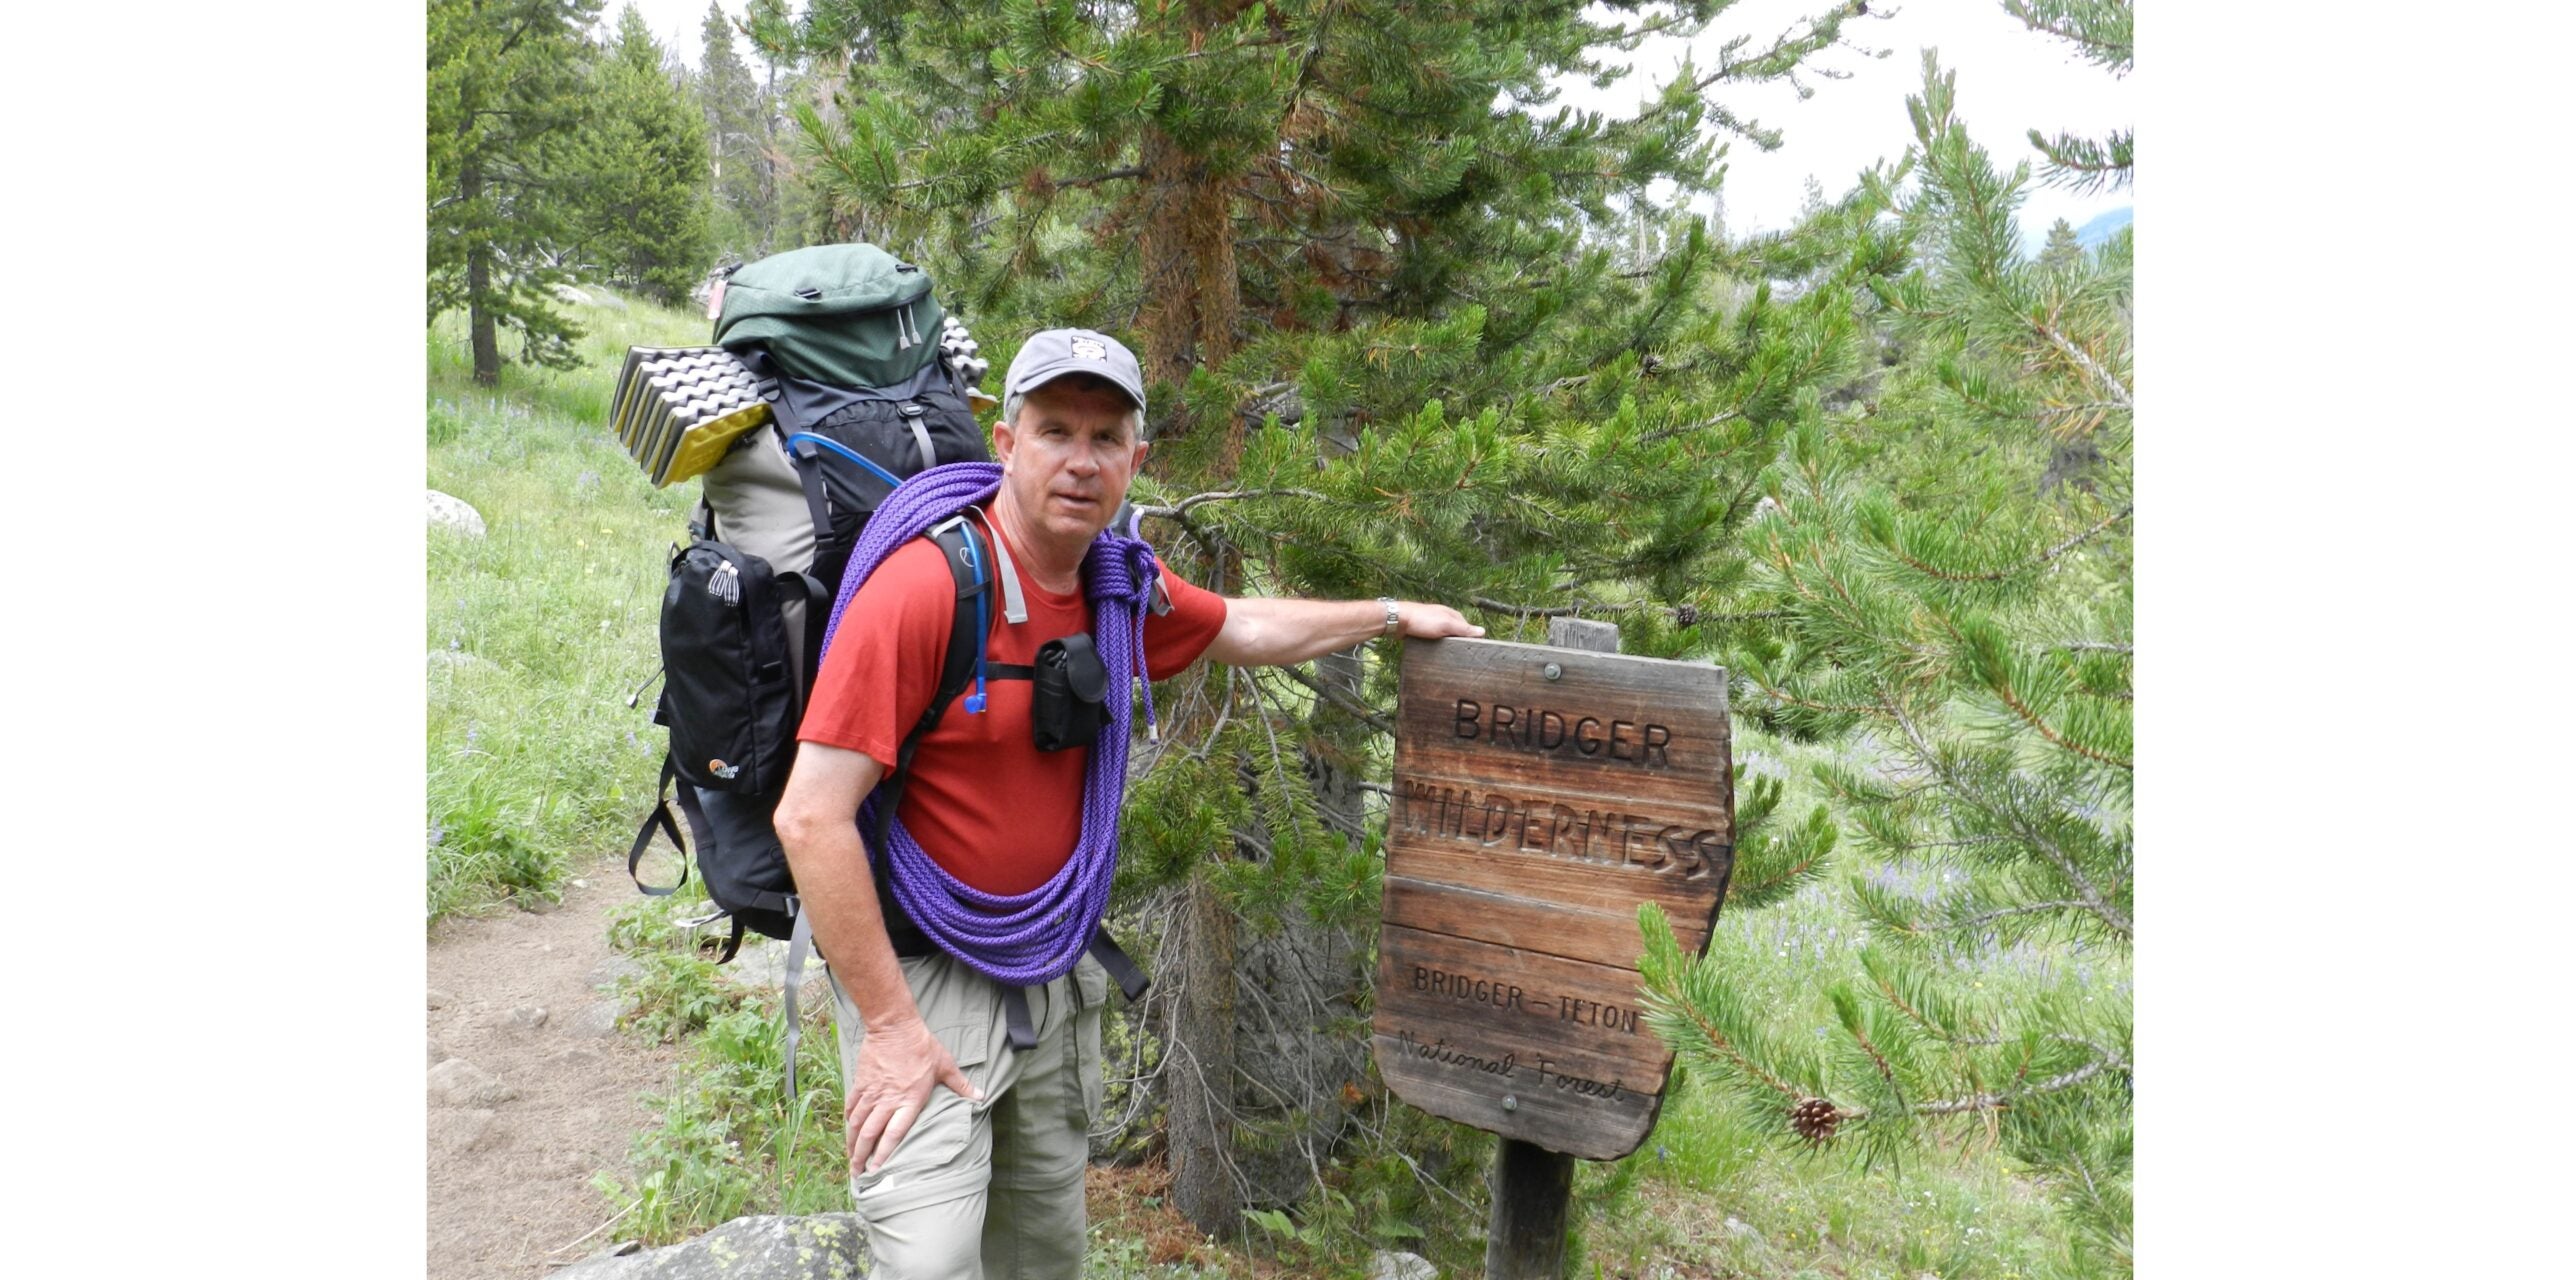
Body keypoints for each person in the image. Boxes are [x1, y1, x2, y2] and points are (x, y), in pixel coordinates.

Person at [773, 328, 1483, 1279]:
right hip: (924, 983)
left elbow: (1247, 626)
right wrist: (893, 1030)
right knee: (932, 1263)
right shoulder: (928, 588)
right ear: (1005, 442)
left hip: (1055, 972)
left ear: (1135, 462)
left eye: (1106, 438)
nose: (1080, 459)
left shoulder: (1115, 591)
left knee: (1046, 1255)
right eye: (1055, 429)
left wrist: (1393, 615)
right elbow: (810, 816)